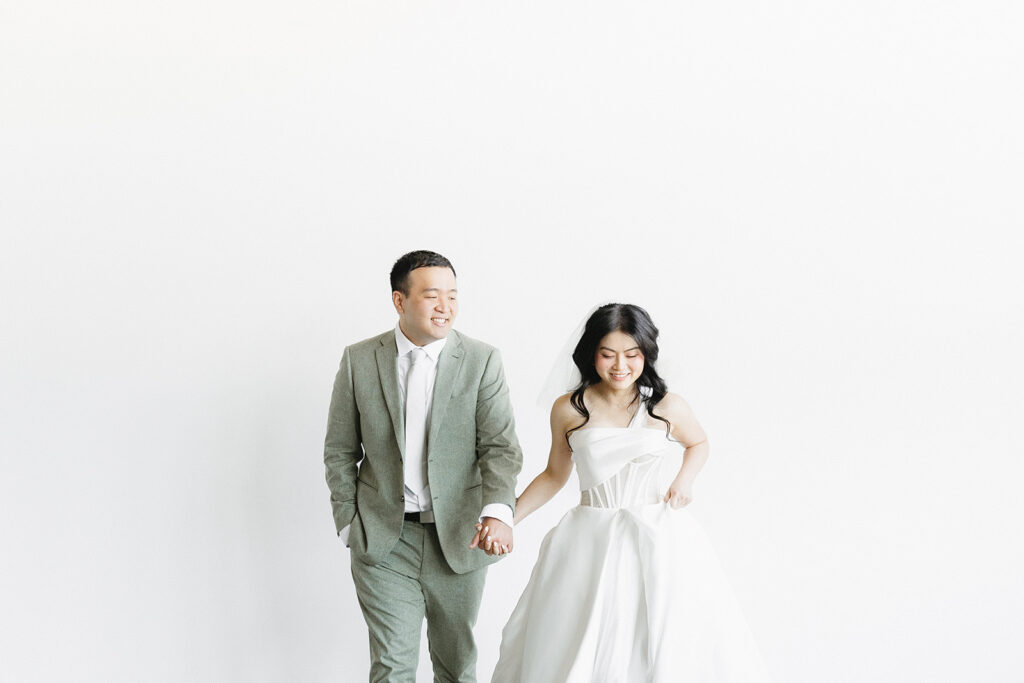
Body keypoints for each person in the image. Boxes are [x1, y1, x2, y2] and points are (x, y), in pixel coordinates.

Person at [490, 303, 771, 682]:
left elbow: (699, 442)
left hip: (658, 536)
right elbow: (555, 475)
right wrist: (506, 519)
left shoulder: (665, 405)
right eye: (608, 355)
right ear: (592, 354)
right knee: (579, 638)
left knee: (660, 638)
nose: (620, 366)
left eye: (632, 355)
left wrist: (684, 480)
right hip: (589, 538)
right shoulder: (569, 408)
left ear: (646, 354)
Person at [323, 250, 523, 683]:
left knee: (457, 668)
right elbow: (340, 450)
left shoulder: (481, 359)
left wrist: (497, 512)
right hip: (383, 540)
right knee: (392, 666)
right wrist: (348, 523)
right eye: (432, 296)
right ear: (399, 301)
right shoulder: (360, 360)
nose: (445, 307)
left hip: (460, 537)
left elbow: (500, 448)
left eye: (452, 296)